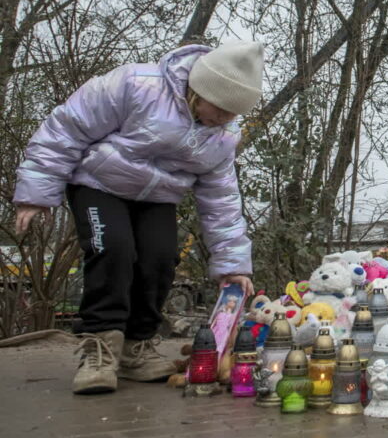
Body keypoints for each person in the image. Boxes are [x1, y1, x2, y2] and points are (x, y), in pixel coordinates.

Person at [13, 42, 262, 394]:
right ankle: (100, 349)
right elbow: (67, 127)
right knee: (113, 248)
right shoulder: (137, 84)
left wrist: (232, 265)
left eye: (232, 114)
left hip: (157, 197)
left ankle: (136, 346)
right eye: (219, 108)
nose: (223, 118)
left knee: (160, 259)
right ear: (200, 89)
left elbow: (222, 201)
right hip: (98, 183)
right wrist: (36, 191)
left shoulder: (220, 139)